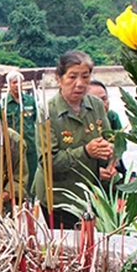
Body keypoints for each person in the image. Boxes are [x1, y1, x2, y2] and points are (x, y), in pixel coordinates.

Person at [33, 50, 114, 229]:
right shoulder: (47, 111)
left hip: (92, 194)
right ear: (59, 78)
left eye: (85, 77)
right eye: (72, 77)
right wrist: (86, 152)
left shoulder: (96, 105)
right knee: (67, 243)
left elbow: (110, 139)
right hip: (60, 197)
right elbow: (48, 161)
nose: (79, 84)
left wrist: (110, 162)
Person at [0, 71, 38, 192]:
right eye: (14, 82)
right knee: (14, 172)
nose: (17, 85)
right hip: (12, 145)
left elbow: (36, 120)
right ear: (9, 84)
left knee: (32, 172)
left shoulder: (30, 101)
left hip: (30, 144)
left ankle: (30, 197)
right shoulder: (3, 104)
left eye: (20, 82)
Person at [88, 79, 128, 179]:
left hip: (111, 172)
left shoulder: (112, 117)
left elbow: (120, 145)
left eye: (104, 99)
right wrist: (95, 172)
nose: (101, 104)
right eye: (95, 100)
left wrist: (112, 165)